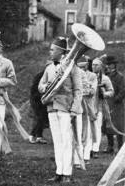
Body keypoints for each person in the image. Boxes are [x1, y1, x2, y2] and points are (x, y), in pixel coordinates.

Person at [38, 37, 82, 183]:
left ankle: (67, 174)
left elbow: (78, 90)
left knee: (66, 141)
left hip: (66, 108)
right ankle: (59, 172)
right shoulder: (49, 68)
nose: (50, 52)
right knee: (57, 141)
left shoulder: (72, 67)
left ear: (61, 52)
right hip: (52, 108)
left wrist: (74, 110)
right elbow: (41, 85)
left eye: (52, 49)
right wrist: (45, 87)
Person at [91, 57, 114, 157]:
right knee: (88, 129)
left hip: (99, 107)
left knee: (97, 128)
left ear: (101, 67)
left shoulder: (105, 78)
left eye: (96, 65)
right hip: (87, 107)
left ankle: (95, 150)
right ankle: (88, 148)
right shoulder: (87, 76)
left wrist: (104, 94)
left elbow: (111, 91)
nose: (94, 66)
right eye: (92, 64)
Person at [76, 56, 97, 164]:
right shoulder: (74, 73)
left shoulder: (93, 76)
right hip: (76, 106)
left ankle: (86, 156)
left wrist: (83, 90)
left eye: (84, 65)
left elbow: (92, 91)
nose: (83, 67)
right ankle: (77, 157)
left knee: (87, 132)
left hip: (87, 107)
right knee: (77, 131)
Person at [104, 55, 125, 153]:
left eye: (110, 64)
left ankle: (120, 147)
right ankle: (110, 147)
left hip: (117, 105)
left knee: (119, 125)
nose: (108, 66)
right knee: (108, 125)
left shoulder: (120, 76)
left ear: (114, 65)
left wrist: (117, 99)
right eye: (107, 64)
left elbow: (123, 90)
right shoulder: (105, 76)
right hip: (107, 103)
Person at [28, 70, 49, 144]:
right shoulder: (42, 75)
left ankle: (39, 136)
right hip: (38, 99)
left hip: (42, 99)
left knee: (43, 117)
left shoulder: (44, 74)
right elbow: (36, 89)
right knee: (41, 118)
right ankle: (32, 135)